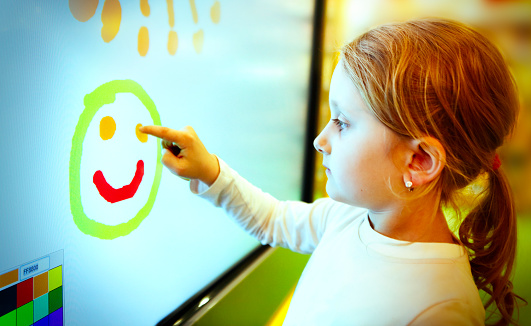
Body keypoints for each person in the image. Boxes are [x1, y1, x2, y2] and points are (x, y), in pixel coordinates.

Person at [140, 18, 525, 325]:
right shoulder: (349, 217)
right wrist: (210, 172)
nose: (320, 140)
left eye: (342, 122)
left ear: (420, 162)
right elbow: (273, 219)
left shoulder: (439, 310)